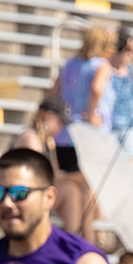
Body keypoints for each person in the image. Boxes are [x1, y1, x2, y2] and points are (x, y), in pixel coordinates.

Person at [49, 25, 116, 234]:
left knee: (76, 191)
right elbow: (96, 88)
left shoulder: (69, 64)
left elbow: (53, 92)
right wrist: (93, 113)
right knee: (88, 189)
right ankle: (86, 239)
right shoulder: (101, 65)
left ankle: (76, 234)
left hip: (65, 136)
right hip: (88, 136)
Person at [107, 25, 133, 161]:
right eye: (128, 50)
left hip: (128, 125)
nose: (132, 54)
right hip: (109, 125)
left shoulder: (131, 71)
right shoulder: (104, 69)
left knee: (132, 162)